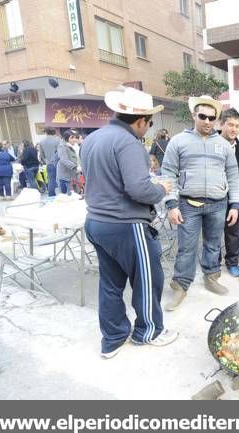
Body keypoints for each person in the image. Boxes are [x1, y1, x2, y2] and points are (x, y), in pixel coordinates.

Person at [81, 87, 178, 359]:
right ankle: (149, 331)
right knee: (148, 279)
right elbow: (138, 190)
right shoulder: (129, 143)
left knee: (111, 283)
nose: (148, 128)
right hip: (126, 224)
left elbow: (101, 178)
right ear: (139, 121)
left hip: (96, 222)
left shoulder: (92, 138)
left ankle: (112, 338)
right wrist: (160, 188)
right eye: (149, 123)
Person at [162, 95, 239, 310]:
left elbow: (233, 175)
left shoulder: (223, 145)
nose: (207, 121)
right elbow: (167, 173)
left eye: (212, 117)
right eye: (203, 116)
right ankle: (180, 286)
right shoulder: (178, 141)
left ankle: (211, 276)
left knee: (213, 243)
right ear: (194, 115)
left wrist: (234, 204)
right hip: (188, 204)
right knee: (186, 248)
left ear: (216, 119)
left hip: (218, 204)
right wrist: (171, 204)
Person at [218, 108, 239, 278]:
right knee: (213, 233)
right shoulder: (212, 143)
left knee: (233, 232)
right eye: (230, 124)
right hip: (214, 197)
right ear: (221, 124)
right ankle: (213, 265)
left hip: (234, 197)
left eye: (237, 126)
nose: (234, 129)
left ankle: (232, 262)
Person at [57, 129, 80, 195]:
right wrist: (75, 167)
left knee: (75, 194)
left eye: (75, 138)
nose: (75, 140)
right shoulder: (62, 146)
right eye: (73, 138)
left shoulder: (73, 146)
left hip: (73, 174)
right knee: (67, 196)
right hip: (66, 175)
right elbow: (64, 160)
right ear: (69, 138)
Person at [38, 127, 60, 196]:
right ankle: (63, 195)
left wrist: (46, 160)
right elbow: (61, 152)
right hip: (58, 163)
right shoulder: (58, 140)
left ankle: (51, 196)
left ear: (46, 132)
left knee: (51, 180)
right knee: (61, 180)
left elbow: (41, 155)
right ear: (54, 132)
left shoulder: (41, 142)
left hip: (49, 163)